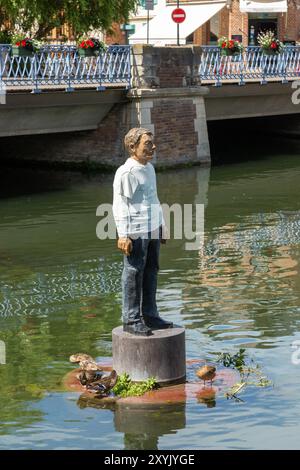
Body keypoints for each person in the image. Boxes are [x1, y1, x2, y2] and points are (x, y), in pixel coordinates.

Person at [112, 128, 173, 336]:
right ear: (132, 147)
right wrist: (122, 234)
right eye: (147, 144)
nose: (153, 147)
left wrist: (162, 225)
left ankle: (150, 314)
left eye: (152, 143)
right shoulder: (127, 172)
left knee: (151, 269)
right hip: (135, 231)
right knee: (133, 272)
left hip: (152, 227)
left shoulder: (150, 169)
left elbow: (154, 199)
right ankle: (131, 319)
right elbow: (120, 204)